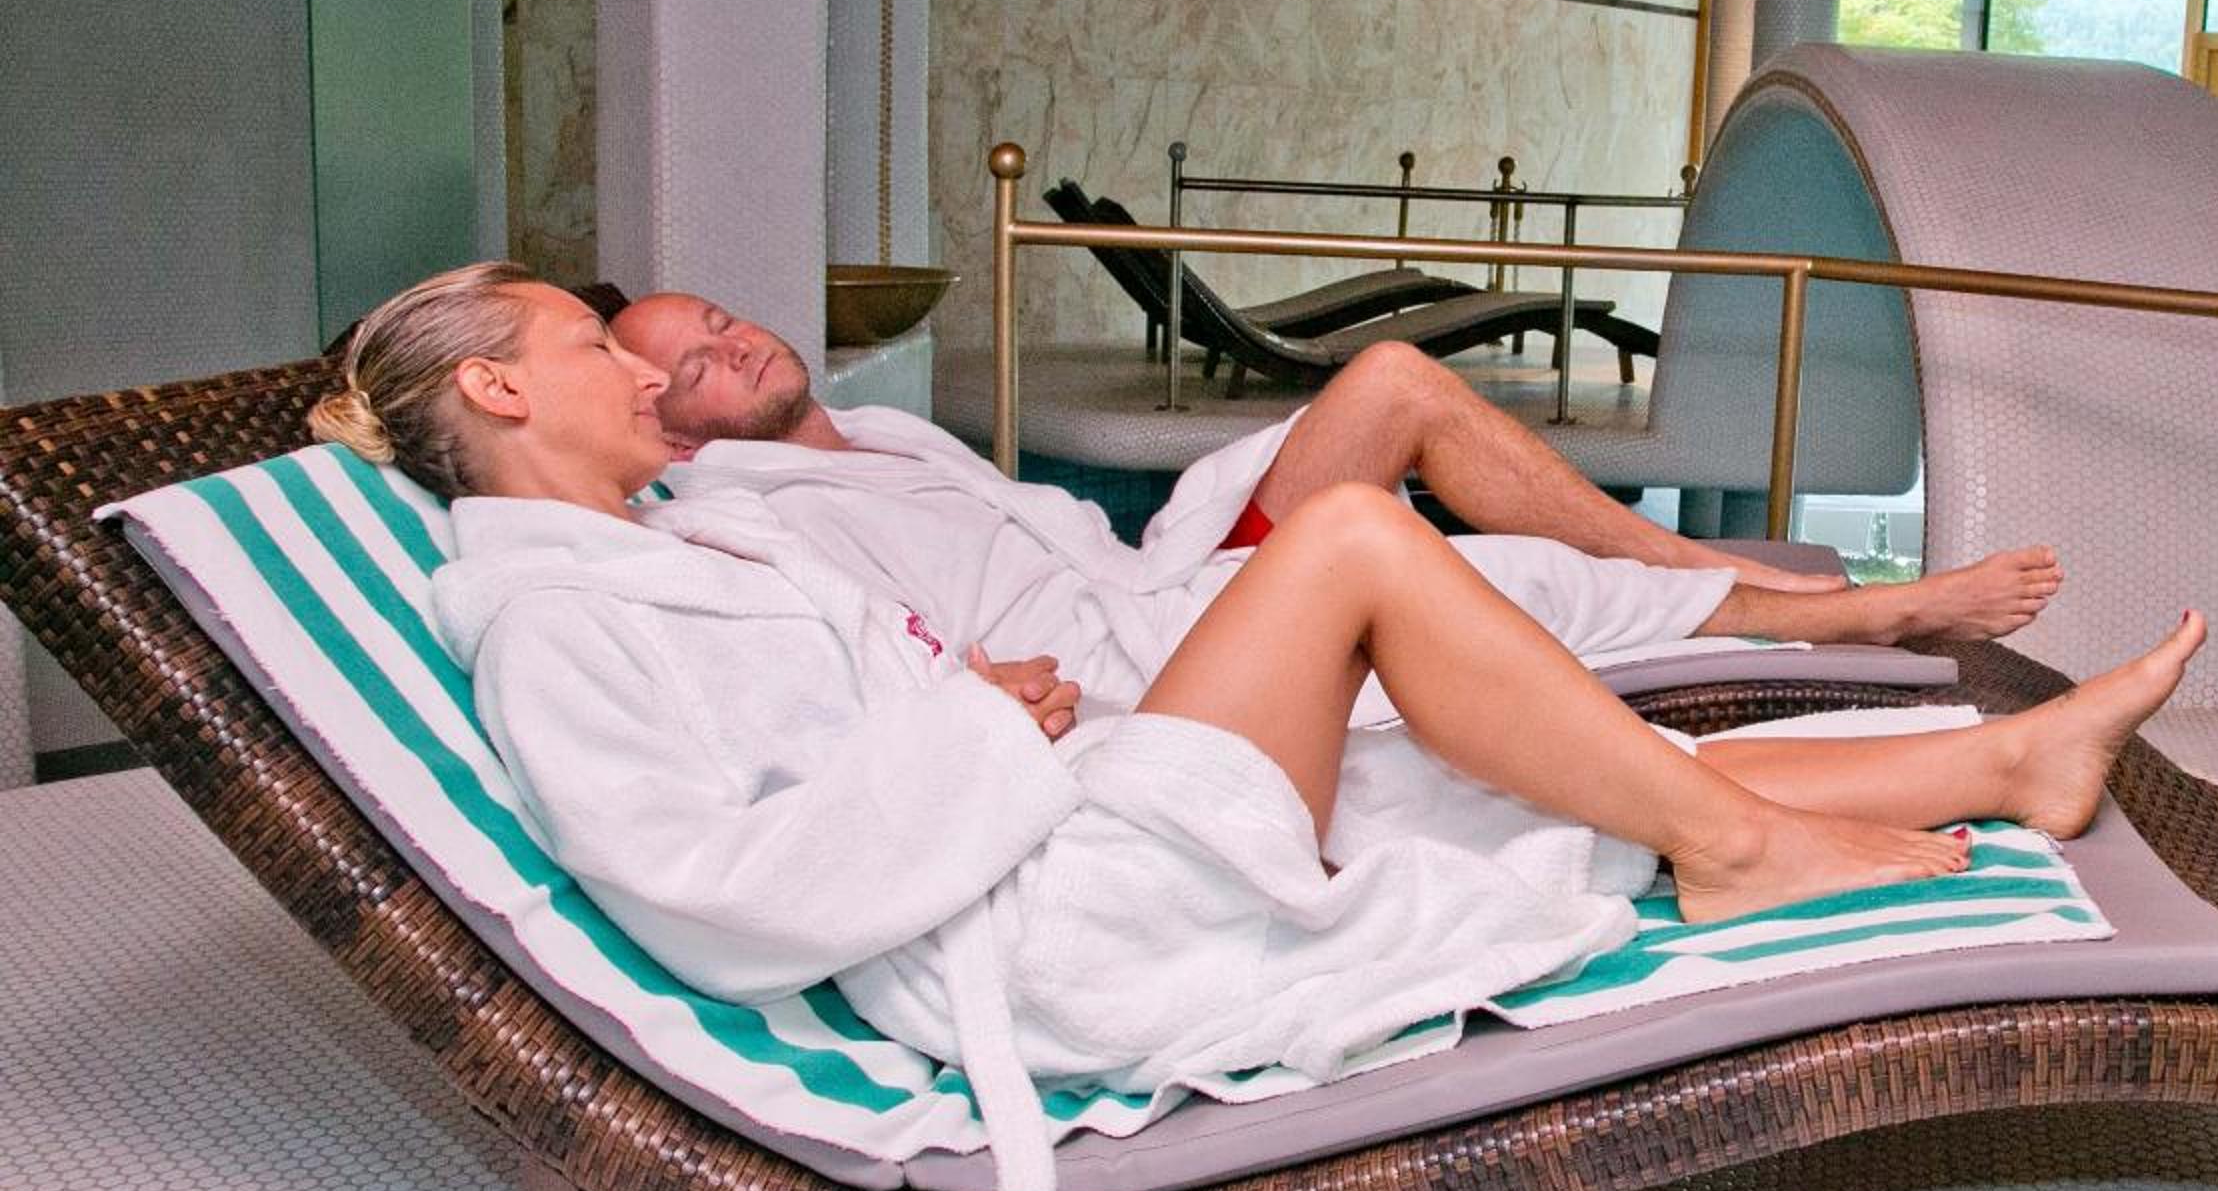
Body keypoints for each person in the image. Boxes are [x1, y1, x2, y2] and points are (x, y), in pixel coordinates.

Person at [317, 263, 2203, 1191]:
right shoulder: (559, 619)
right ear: (499, 391)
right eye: (595, 349)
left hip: (1047, 825)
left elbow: (869, 712)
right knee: (1361, 544)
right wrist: (976, 731)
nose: (642, 375)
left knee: (1486, 768)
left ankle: (1998, 766)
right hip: (1042, 930)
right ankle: (1737, 847)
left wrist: (975, 713)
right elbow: (714, 889)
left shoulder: (641, 556)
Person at [609, 290, 2070, 727]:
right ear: (665, 426)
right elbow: (868, 660)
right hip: (1157, 652)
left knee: (1392, 379)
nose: (734, 349)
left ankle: (1686, 556)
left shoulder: (875, 428)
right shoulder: (749, 515)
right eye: (695, 367)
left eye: (722, 322)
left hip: (1155, 574)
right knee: (1493, 575)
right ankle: (1855, 613)